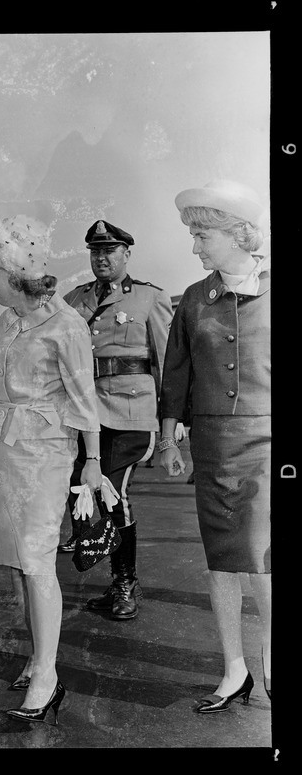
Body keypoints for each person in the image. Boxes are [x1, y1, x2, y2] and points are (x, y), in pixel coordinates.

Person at [0, 216, 102, 723]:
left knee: (37, 560)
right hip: (4, 450)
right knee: (19, 564)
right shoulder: (5, 321)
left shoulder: (67, 326)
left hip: (47, 454)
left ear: (13, 274)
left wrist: (92, 462)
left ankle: (49, 675)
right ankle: (37, 656)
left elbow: (86, 399)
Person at [159, 180, 270, 713]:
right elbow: (175, 373)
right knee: (222, 562)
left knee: (263, 561)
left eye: (203, 236)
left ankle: (272, 664)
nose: (196, 247)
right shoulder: (192, 302)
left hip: (269, 448)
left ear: (236, 235)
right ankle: (234, 669)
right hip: (212, 446)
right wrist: (167, 437)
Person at [62, 220, 174, 620]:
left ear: (127, 254)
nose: (101, 258)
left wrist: (170, 429)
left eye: (109, 251)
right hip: (85, 415)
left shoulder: (149, 298)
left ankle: (126, 583)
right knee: (85, 492)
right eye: (95, 251)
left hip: (131, 413)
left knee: (114, 494)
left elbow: (167, 364)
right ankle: (110, 576)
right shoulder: (74, 299)